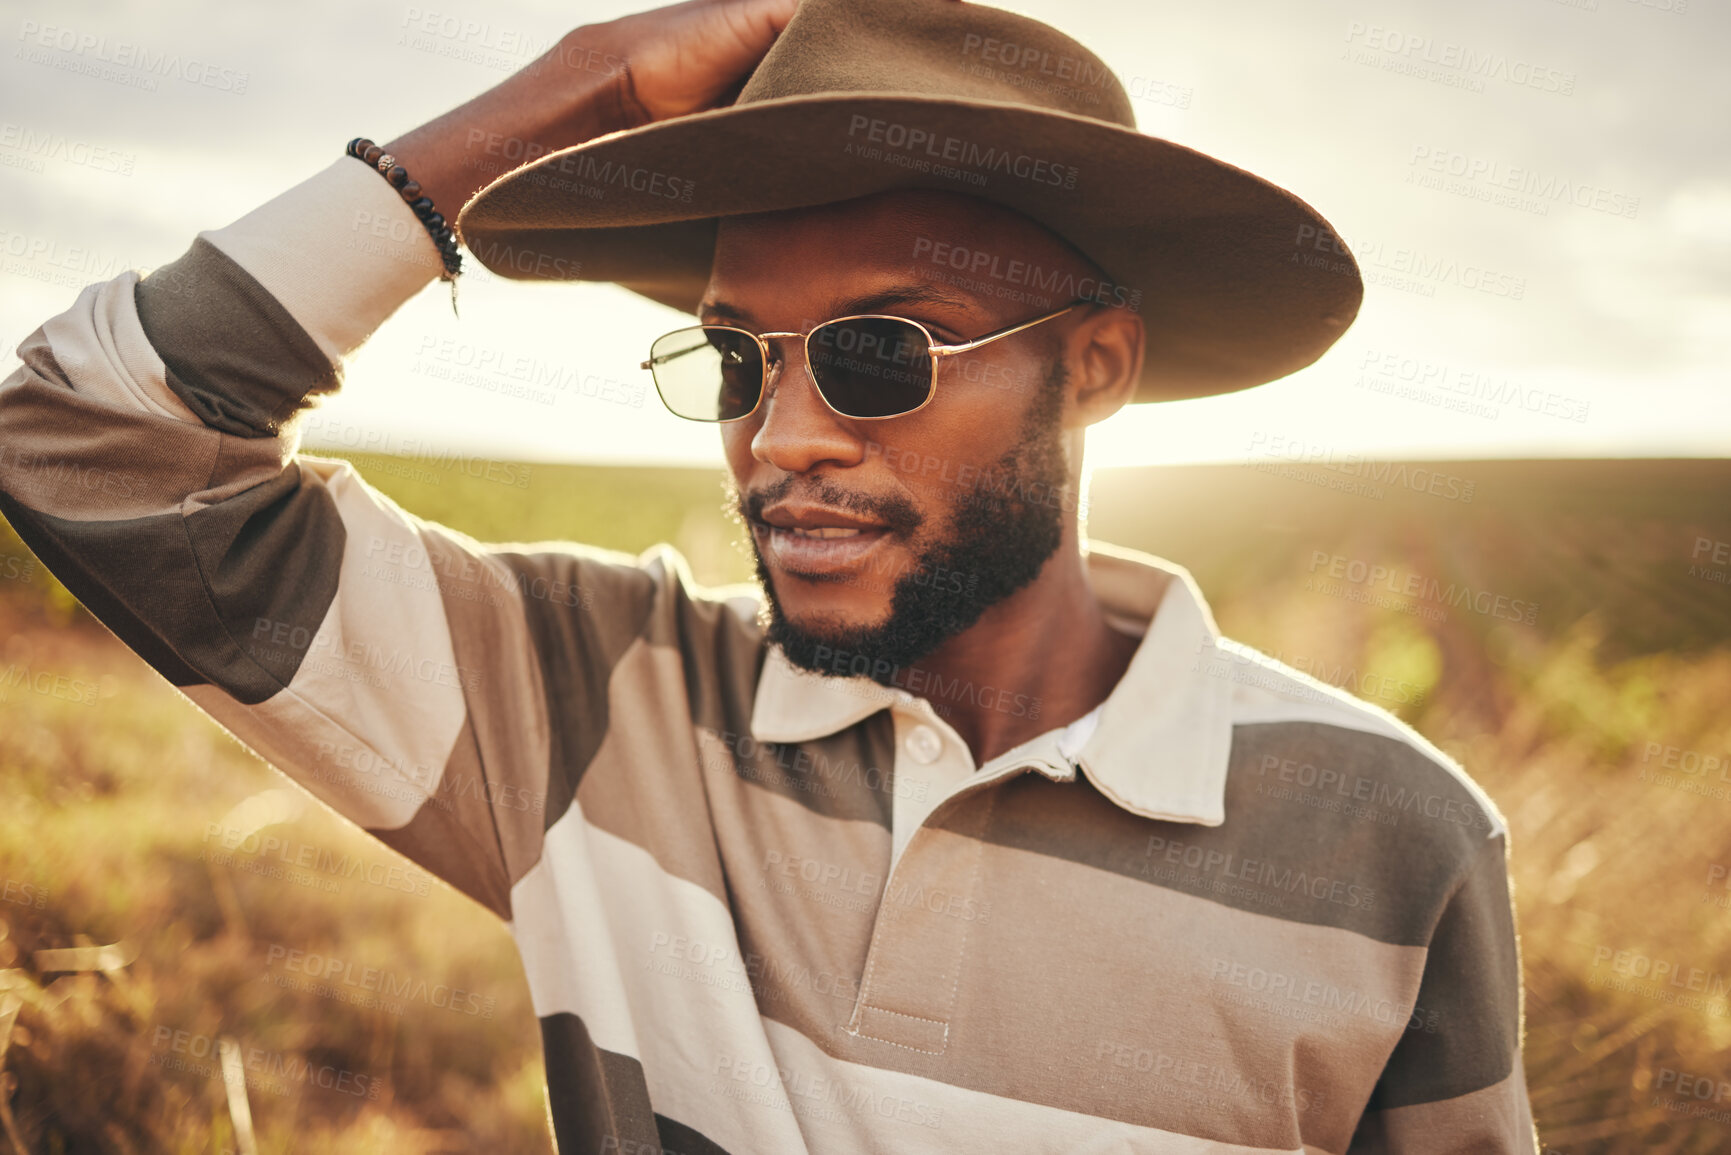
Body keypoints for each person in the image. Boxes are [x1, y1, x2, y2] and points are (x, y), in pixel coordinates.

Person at [0, 0, 1538, 1150]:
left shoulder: (1395, 841)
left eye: (881, 353)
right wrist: (576, 86)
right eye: (738, 357)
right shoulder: (589, 704)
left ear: (1097, 366)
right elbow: (85, 433)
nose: (780, 438)